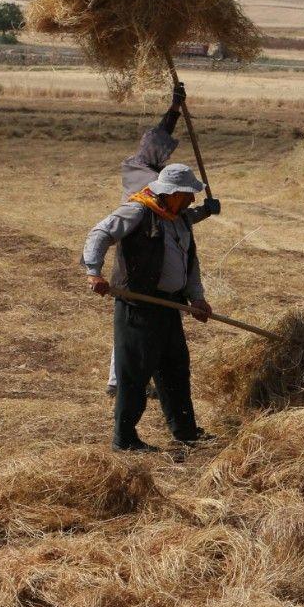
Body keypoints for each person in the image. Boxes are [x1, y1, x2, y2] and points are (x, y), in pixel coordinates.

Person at [83, 163, 214, 452]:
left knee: (176, 370)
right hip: (139, 306)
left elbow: (189, 263)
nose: (193, 199)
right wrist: (94, 271)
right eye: (188, 194)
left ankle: (185, 432)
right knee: (134, 374)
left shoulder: (179, 218)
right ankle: (125, 439)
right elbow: (100, 233)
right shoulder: (138, 211)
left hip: (170, 306)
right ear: (173, 193)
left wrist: (197, 298)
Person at [105, 83, 220, 397]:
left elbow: (178, 217)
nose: (166, 152)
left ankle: (145, 381)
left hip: (161, 251)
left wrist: (203, 211)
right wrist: (172, 112)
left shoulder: (159, 175)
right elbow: (155, 139)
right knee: (132, 322)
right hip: (141, 254)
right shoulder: (140, 176)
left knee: (152, 326)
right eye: (163, 150)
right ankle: (119, 381)